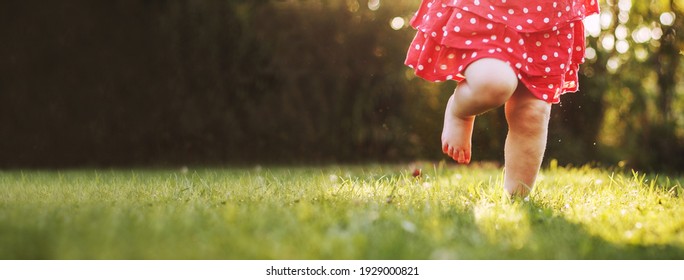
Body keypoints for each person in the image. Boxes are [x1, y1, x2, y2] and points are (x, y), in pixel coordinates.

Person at [405, 0, 599, 197]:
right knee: (494, 83)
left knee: (533, 112)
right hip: (491, 9)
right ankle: (459, 110)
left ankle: (515, 197)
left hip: (549, 13)